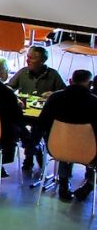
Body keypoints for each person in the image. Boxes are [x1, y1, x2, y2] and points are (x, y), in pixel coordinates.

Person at [36, 69, 97, 201]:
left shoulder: (54, 98)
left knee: (66, 141)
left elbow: (41, 123)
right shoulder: (94, 102)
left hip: (57, 147)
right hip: (88, 151)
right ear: (90, 83)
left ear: (70, 81)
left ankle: (63, 182)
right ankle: (90, 184)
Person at [9, 45, 66, 174]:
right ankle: (32, 146)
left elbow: (64, 92)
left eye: (32, 58)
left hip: (43, 114)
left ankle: (30, 152)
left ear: (42, 61)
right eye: (27, 57)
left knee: (39, 126)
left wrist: (53, 94)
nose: (27, 60)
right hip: (24, 112)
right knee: (15, 121)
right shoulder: (23, 72)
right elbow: (9, 88)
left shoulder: (53, 75)